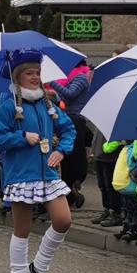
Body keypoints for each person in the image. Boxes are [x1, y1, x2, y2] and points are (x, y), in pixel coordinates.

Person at [0, 49, 75, 273]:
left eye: (37, 72)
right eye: (29, 73)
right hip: (21, 175)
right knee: (22, 229)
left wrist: (61, 150)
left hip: (48, 173)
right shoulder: (8, 106)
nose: (35, 77)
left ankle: (39, 267)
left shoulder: (47, 104)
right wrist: (22, 137)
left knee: (63, 220)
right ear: (17, 76)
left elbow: (69, 129)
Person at [52, 60, 92, 207]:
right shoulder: (68, 78)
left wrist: (51, 83)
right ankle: (70, 191)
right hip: (65, 118)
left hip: (75, 120)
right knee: (66, 158)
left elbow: (70, 94)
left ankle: (73, 186)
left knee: (74, 155)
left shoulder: (80, 78)